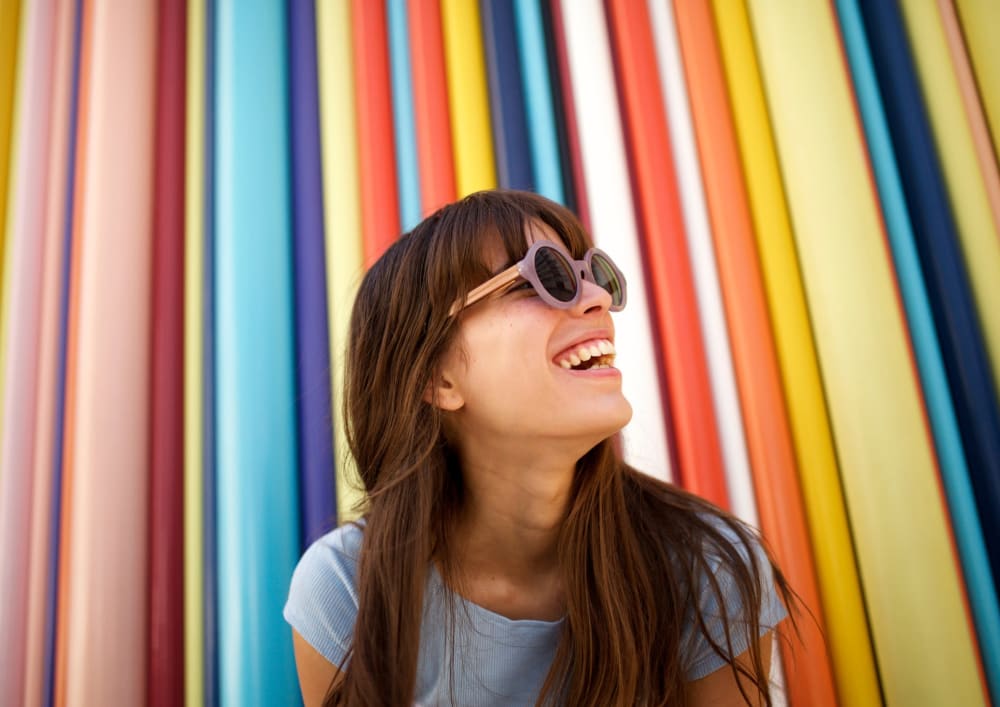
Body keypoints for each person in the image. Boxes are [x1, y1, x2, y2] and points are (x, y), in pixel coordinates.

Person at [284, 190, 792, 706]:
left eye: (594, 275)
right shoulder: (344, 591)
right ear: (438, 378)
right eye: (543, 280)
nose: (595, 298)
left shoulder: (706, 566)